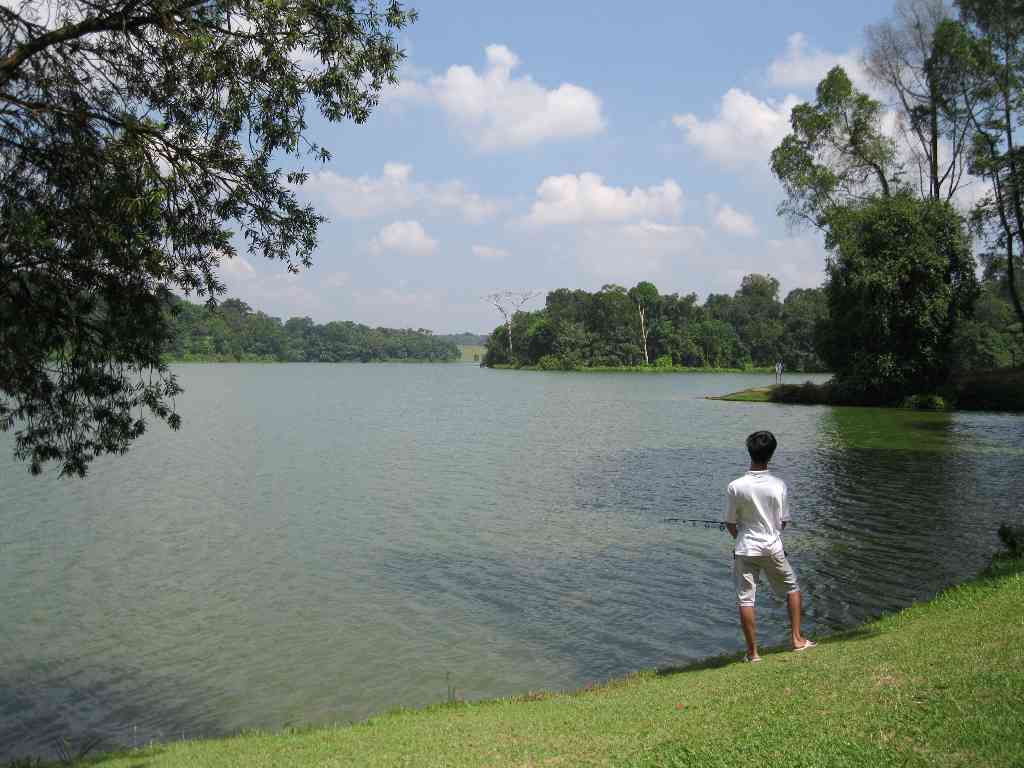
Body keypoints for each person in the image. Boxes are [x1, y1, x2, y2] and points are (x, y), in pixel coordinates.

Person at [724, 430, 814, 662]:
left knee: (746, 599)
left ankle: (753, 653)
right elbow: (782, 521)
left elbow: (730, 523)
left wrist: (742, 537)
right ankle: (797, 640)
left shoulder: (735, 486)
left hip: (745, 549)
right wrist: (771, 534)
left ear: (749, 451)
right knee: (792, 588)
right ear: (771, 454)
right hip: (772, 547)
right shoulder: (779, 485)